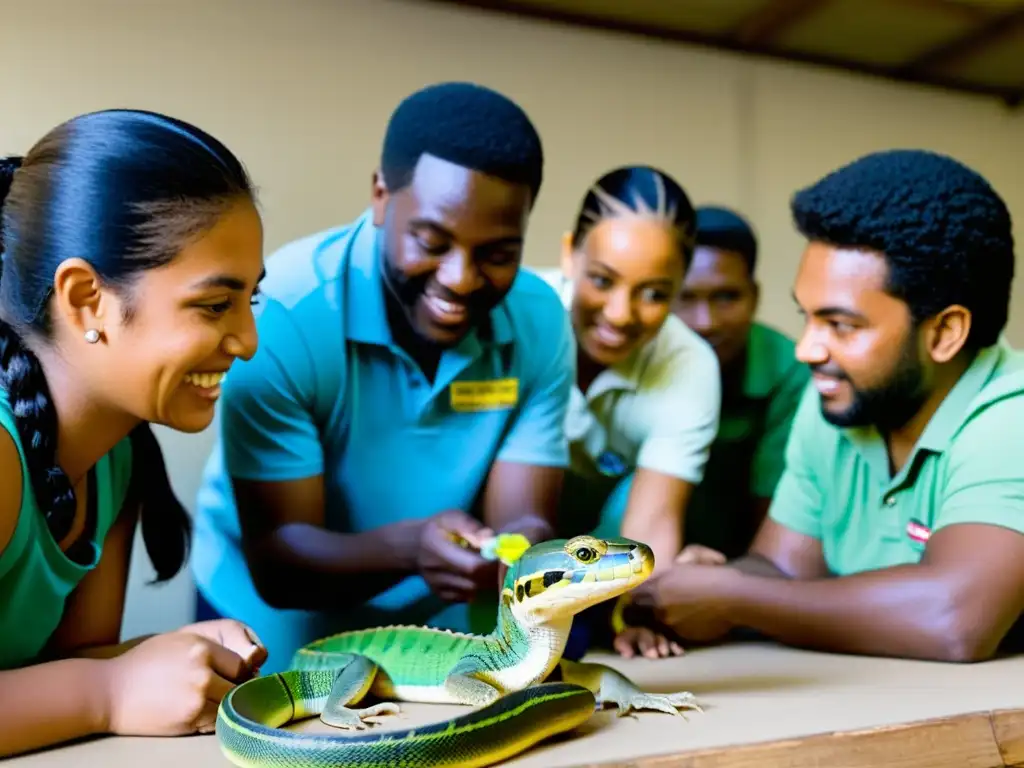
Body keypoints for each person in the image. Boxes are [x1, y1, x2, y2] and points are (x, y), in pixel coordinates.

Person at [190, 81, 575, 672]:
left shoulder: (541, 322)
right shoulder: (286, 314)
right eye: (432, 241)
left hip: (436, 633)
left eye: (497, 254)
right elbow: (281, 562)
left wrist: (515, 549)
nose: (461, 278)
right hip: (273, 629)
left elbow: (525, 519)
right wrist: (411, 548)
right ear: (379, 195)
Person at [631, 148, 1024, 663]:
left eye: (840, 325)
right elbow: (785, 570)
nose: (807, 349)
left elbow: (955, 619)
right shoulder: (836, 406)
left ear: (945, 332)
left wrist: (734, 597)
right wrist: (703, 585)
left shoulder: (1010, 416)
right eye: (807, 317)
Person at [0, 110, 267, 758]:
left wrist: (173, 658)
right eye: (213, 305)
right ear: (87, 299)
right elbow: (91, 688)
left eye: (249, 301)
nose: (248, 343)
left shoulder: (115, 453)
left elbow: (65, 668)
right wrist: (114, 689)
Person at [532, 165, 722, 660]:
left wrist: (637, 611)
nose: (620, 313)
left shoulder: (691, 365)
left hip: (604, 554)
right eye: (602, 279)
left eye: (655, 293)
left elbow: (652, 519)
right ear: (569, 252)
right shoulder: (520, 316)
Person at [672, 205, 809, 562]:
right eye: (685, 297)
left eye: (726, 297)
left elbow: (781, 513)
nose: (706, 322)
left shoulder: (789, 371)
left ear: (754, 296)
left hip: (748, 560)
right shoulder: (634, 356)